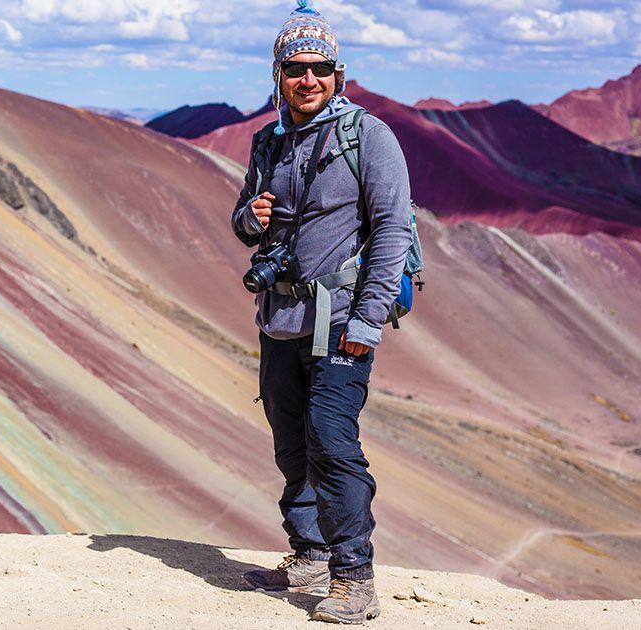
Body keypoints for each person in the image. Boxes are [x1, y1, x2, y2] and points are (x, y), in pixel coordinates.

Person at [229, 0, 413, 624]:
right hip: (279, 319)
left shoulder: (370, 137)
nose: (309, 79)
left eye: (321, 68)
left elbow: (392, 231)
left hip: (342, 321)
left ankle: (354, 578)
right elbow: (243, 222)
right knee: (290, 441)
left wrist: (368, 320)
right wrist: (249, 217)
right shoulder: (267, 142)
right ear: (277, 75)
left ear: (339, 73)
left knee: (332, 441)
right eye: (295, 68)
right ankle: (308, 553)